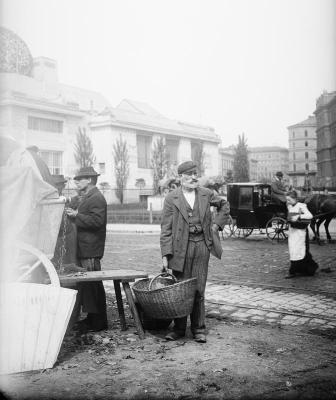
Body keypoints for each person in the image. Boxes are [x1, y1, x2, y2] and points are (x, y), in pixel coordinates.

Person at [160, 161, 230, 343]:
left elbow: (224, 205)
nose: (193, 177)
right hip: (180, 248)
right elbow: (166, 229)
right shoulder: (171, 198)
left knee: (199, 288)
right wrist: (165, 255)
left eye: (195, 174)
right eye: (189, 174)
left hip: (201, 246)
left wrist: (216, 225)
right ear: (180, 177)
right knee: (181, 289)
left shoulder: (206, 194)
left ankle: (199, 328)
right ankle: (179, 329)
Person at [65, 166, 108, 332]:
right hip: (86, 247)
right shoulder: (89, 196)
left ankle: (98, 323)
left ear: (89, 180)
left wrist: (77, 216)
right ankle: (92, 319)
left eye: (79, 179)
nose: (76, 181)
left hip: (91, 249)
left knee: (93, 285)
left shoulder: (97, 198)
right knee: (89, 286)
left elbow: (97, 222)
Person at [286, 190, 319, 277]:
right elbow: (290, 217)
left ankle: (293, 271)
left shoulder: (301, 206)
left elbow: (310, 216)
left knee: (299, 250)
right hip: (292, 231)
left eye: (289, 200)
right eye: (287, 200)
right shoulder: (289, 206)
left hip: (300, 232)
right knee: (294, 250)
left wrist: (299, 216)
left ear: (295, 199)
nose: (287, 202)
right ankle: (306, 269)